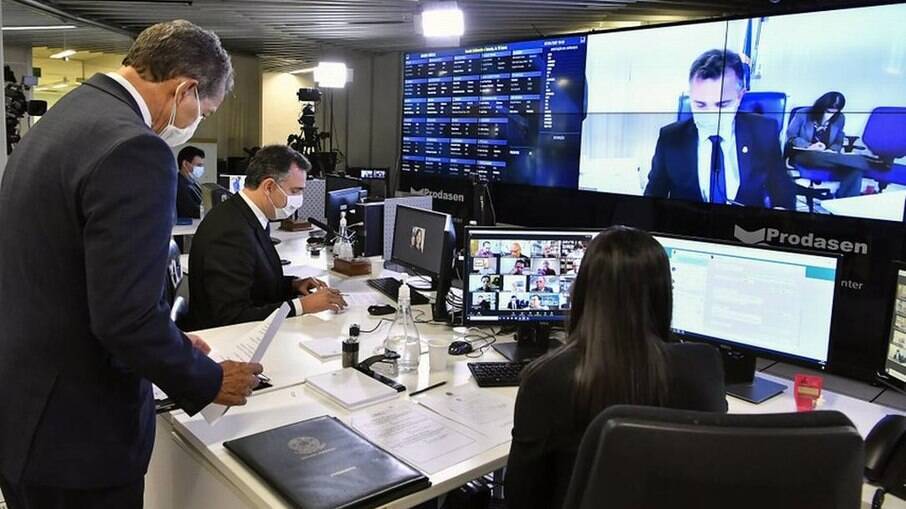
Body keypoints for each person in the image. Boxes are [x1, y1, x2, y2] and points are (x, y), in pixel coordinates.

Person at [0, 20, 263, 508]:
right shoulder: (135, 149)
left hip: (26, 409)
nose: (196, 124)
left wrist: (167, 340)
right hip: (79, 436)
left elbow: (77, 278)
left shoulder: (68, 115)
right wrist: (206, 380)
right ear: (185, 88)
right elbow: (124, 317)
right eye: (203, 110)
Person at [505, 226, 727, 508]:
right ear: (662, 296)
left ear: (583, 293)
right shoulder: (703, 366)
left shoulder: (546, 379)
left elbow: (521, 498)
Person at [187, 145, 347, 330]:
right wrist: (302, 306)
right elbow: (231, 316)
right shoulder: (231, 231)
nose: (299, 198)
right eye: (295, 191)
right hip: (225, 340)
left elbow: (254, 282)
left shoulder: (248, 214)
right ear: (269, 186)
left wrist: (293, 285)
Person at [644, 49, 795, 209]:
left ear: (739, 96)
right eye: (700, 105)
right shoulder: (670, 137)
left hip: (747, 230)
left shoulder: (764, 131)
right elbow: (653, 198)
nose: (711, 115)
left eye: (722, 105)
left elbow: (782, 189)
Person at [786, 91, 861, 198]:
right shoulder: (802, 114)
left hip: (828, 156)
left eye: (834, 111)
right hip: (804, 155)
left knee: (856, 168)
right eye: (828, 111)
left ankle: (843, 203)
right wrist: (809, 146)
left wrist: (833, 150)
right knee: (855, 163)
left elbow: (838, 141)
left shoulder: (840, 118)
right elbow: (791, 136)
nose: (830, 115)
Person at [175, 145, 205, 218]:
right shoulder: (179, 185)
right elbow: (193, 211)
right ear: (185, 164)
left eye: (202, 165)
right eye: (198, 165)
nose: (201, 169)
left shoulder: (193, 183)